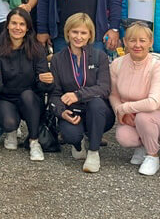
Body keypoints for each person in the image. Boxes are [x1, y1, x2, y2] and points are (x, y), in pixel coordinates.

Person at [48, 13, 114, 173]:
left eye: (83, 33)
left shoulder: (100, 56)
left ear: (90, 35)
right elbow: (55, 94)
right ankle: (78, 144)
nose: (78, 37)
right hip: (72, 111)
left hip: (97, 112)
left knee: (96, 102)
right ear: (67, 33)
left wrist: (78, 95)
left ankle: (93, 152)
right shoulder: (57, 59)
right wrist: (61, 112)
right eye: (75, 32)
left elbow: (104, 88)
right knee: (71, 136)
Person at [109, 23, 160, 176]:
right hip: (130, 116)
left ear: (150, 42)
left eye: (142, 40)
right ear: (125, 42)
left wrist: (124, 108)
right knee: (124, 137)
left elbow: (153, 103)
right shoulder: (117, 64)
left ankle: (153, 155)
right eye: (132, 40)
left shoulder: (158, 66)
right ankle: (143, 146)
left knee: (144, 118)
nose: (137, 45)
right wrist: (120, 111)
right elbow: (113, 94)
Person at [0, 8, 50, 161]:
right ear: (7, 25)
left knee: (27, 95)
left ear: (27, 28)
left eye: (22, 24)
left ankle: (34, 141)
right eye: (14, 23)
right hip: (6, 97)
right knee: (9, 123)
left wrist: (47, 81)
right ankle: (11, 131)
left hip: (31, 98)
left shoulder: (37, 49)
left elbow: (42, 87)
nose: (17, 28)